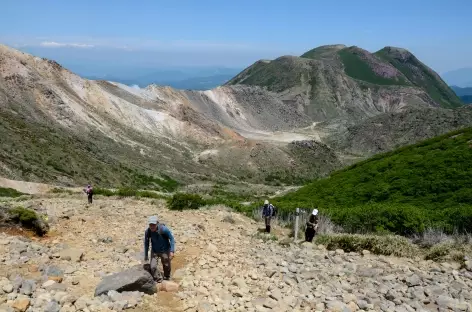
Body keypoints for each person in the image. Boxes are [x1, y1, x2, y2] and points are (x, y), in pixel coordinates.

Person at [143, 216, 175, 282]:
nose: (152, 226)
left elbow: (171, 239)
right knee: (153, 267)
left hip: (165, 250)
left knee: (166, 265)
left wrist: (172, 251)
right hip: (154, 251)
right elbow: (146, 243)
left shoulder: (164, 229)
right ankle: (159, 279)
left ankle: (167, 277)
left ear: (157, 223)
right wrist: (146, 254)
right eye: (150, 224)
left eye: (153, 224)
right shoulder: (148, 231)